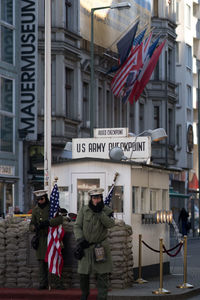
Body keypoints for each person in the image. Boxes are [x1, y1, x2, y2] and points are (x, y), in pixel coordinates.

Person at [73, 188, 115, 300]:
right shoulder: (84, 210)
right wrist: (80, 239)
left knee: (102, 274)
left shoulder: (107, 211)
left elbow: (110, 224)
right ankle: (84, 294)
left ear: (101, 198)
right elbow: (77, 226)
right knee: (83, 273)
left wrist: (100, 213)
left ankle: (102, 297)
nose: (97, 200)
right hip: (86, 246)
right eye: (94, 198)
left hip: (100, 246)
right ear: (91, 199)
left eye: (99, 197)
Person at [29, 189, 63, 289]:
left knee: (53, 260)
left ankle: (57, 283)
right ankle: (43, 283)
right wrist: (35, 227)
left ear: (46, 198)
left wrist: (49, 223)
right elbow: (31, 224)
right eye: (38, 199)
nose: (40, 201)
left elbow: (60, 219)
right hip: (41, 238)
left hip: (51, 237)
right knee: (41, 263)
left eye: (42, 199)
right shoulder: (35, 210)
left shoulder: (52, 207)